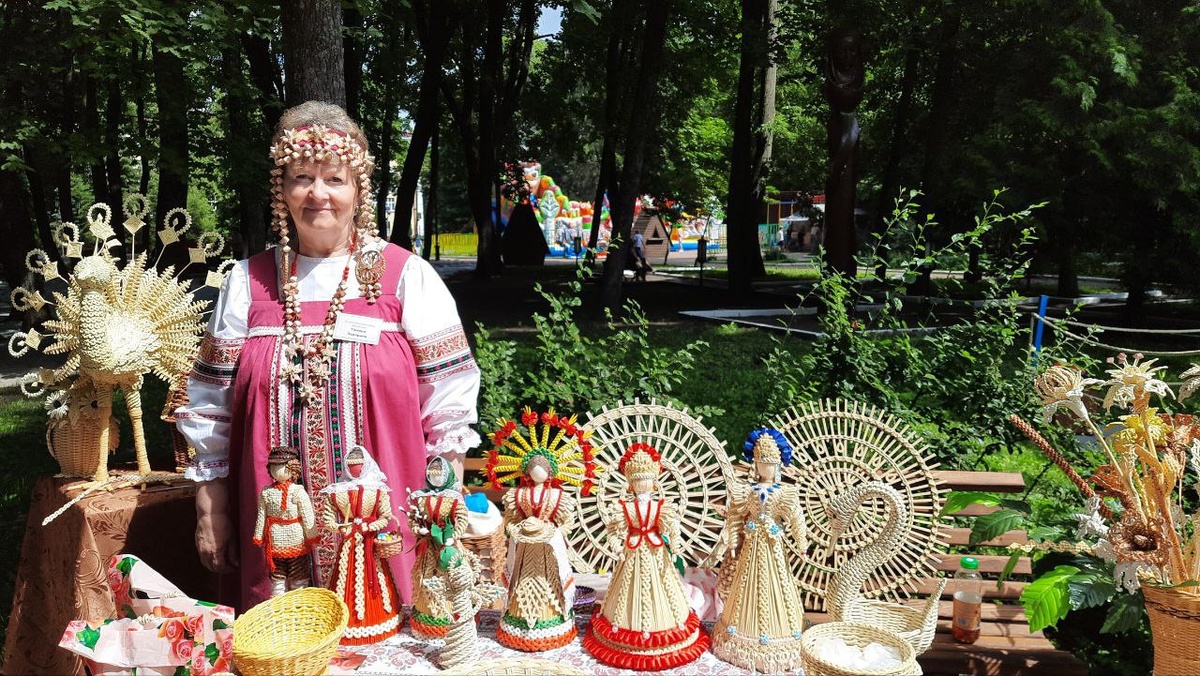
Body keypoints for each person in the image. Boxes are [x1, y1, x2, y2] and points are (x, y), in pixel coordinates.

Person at [176, 101, 481, 612]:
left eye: (335, 179)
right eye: (302, 178)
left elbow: (448, 405)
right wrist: (213, 510)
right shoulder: (247, 283)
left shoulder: (407, 277)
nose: (318, 193)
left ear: (358, 189)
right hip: (277, 534)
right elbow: (211, 408)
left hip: (386, 526)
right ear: (282, 189)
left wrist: (445, 504)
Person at [583, 443, 709, 671]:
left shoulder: (660, 506)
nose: (642, 486)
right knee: (629, 590)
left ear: (654, 482)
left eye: (646, 481)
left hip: (656, 552)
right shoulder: (625, 508)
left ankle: (664, 626)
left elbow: (672, 527)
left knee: (663, 587)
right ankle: (628, 628)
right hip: (632, 551)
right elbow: (614, 531)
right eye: (638, 482)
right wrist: (616, 546)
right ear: (631, 484)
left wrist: (676, 545)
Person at [707, 428, 808, 672]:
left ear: (778, 466)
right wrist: (733, 540)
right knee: (747, 586)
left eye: (770, 464)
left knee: (777, 585)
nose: (765, 469)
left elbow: (796, 518)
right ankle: (741, 632)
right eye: (761, 463)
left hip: (773, 548)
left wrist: (802, 543)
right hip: (751, 547)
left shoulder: (784, 493)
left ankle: (779, 634)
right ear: (755, 464)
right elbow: (735, 515)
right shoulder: (747, 491)